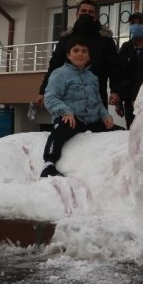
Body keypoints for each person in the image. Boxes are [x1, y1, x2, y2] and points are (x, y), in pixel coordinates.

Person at [41, 36, 114, 178]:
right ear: (69, 55)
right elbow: (50, 97)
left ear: (88, 56)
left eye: (84, 51)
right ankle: (48, 164)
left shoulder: (92, 77)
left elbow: (98, 101)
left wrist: (105, 115)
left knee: (118, 131)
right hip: (72, 120)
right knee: (60, 129)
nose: (80, 54)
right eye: (76, 50)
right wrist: (65, 111)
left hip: (91, 122)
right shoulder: (59, 74)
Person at [36, 0, 120, 109]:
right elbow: (54, 66)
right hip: (68, 96)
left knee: (98, 125)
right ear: (77, 14)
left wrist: (115, 90)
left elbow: (114, 67)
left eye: (90, 12)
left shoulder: (105, 39)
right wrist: (43, 91)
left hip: (97, 96)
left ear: (96, 16)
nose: (86, 14)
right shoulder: (66, 38)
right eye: (83, 11)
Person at [115, 12, 143, 129]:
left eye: (140, 23)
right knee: (132, 131)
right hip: (130, 100)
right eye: (133, 23)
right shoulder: (125, 48)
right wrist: (119, 102)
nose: (136, 26)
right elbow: (119, 74)